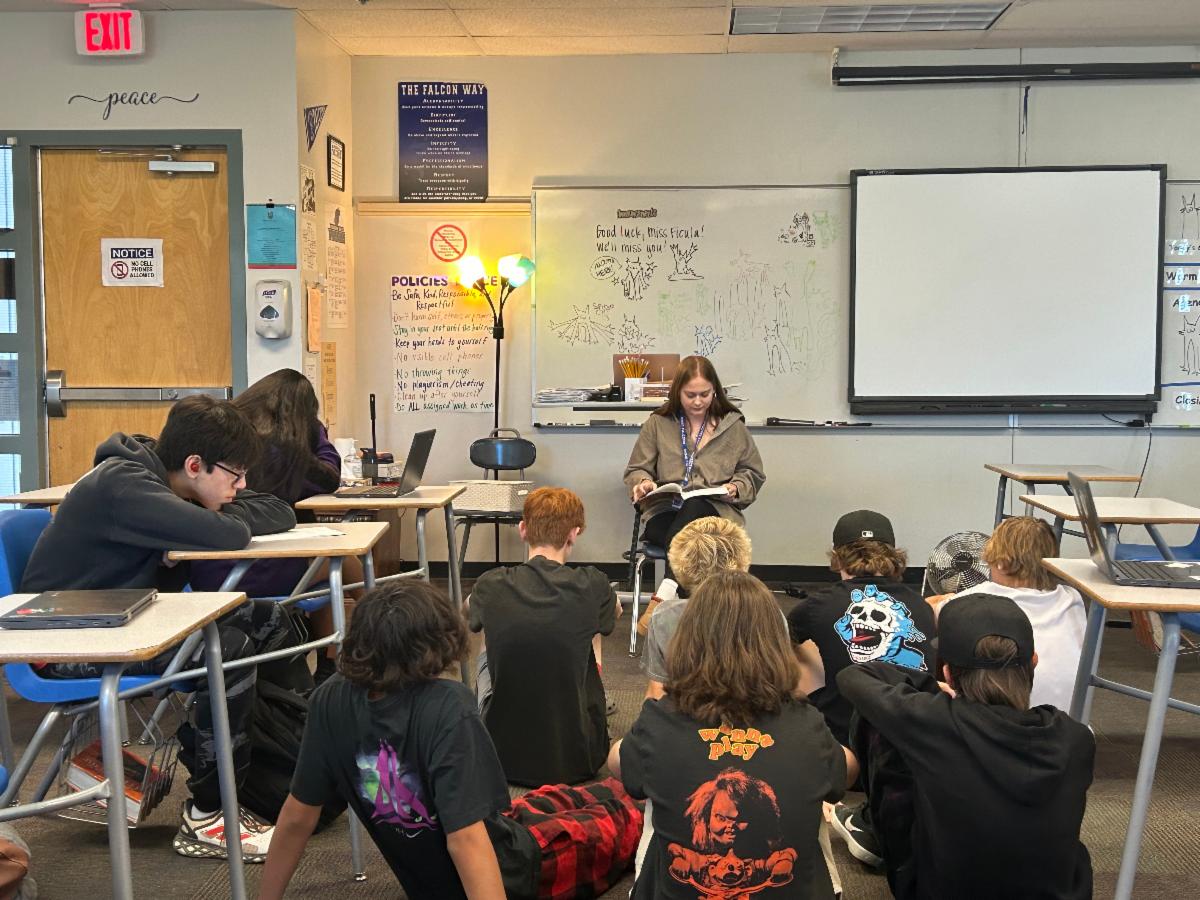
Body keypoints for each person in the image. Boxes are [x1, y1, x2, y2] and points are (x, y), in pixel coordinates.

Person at [21, 395, 301, 862]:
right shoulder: (124, 486)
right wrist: (210, 520)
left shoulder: (166, 480)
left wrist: (204, 514)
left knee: (268, 619)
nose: (243, 485)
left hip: (123, 621)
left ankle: (284, 768)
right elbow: (233, 534)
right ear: (194, 465)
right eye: (234, 475)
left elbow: (279, 510)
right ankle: (209, 816)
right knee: (227, 649)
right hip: (65, 642)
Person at [261, 580, 643, 900]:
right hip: (510, 874)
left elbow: (296, 817)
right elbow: (466, 842)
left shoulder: (330, 697)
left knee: (563, 796)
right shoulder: (447, 706)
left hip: (482, 844)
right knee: (627, 817)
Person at [613, 570, 855, 900]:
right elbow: (845, 774)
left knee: (654, 795)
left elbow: (619, 766)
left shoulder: (659, 720)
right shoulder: (807, 723)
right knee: (816, 797)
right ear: (776, 644)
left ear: (687, 642)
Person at [837, 593, 1095, 900]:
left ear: (947, 672)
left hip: (935, 890)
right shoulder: (1077, 738)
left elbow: (854, 676)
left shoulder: (932, 722)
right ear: (1034, 662)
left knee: (876, 719)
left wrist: (929, 686)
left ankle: (873, 830)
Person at [188, 368, 345, 682]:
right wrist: (315, 433)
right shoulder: (284, 451)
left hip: (204, 571)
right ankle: (345, 659)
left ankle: (335, 658)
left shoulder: (219, 442)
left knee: (334, 561)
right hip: (245, 570)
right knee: (342, 561)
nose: (242, 483)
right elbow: (329, 477)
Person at [467, 487, 618, 786]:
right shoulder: (593, 583)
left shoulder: (491, 583)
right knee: (593, 622)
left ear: (523, 529)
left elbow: (467, 612)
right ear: (573, 534)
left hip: (499, 759)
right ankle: (580, 698)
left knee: (486, 627)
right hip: (579, 761)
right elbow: (614, 614)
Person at [786, 510, 935, 747]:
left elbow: (776, 648)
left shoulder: (815, 608)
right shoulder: (921, 606)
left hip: (846, 742)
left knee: (794, 652)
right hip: (915, 742)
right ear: (893, 555)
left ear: (837, 558)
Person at [623, 355, 765, 577]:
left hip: (716, 513)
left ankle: (671, 592)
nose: (698, 402)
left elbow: (752, 472)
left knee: (694, 509)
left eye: (704, 394)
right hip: (666, 511)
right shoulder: (658, 424)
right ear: (677, 393)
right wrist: (643, 483)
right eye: (690, 395)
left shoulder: (733, 427)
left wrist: (737, 487)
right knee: (690, 540)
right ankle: (694, 596)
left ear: (715, 391)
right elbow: (637, 469)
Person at [939, 516, 1086, 710]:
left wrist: (945, 598)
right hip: (1071, 719)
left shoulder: (969, 600)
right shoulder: (1073, 598)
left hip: (1006, 719)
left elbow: (932, 610)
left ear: (1001, 562)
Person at [642, 516, 752, 700]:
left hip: (683, 712)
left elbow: (657, 692)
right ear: (742, 559)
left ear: (680, 563)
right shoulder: (770, 616)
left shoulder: (664, 616)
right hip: (749, 714)